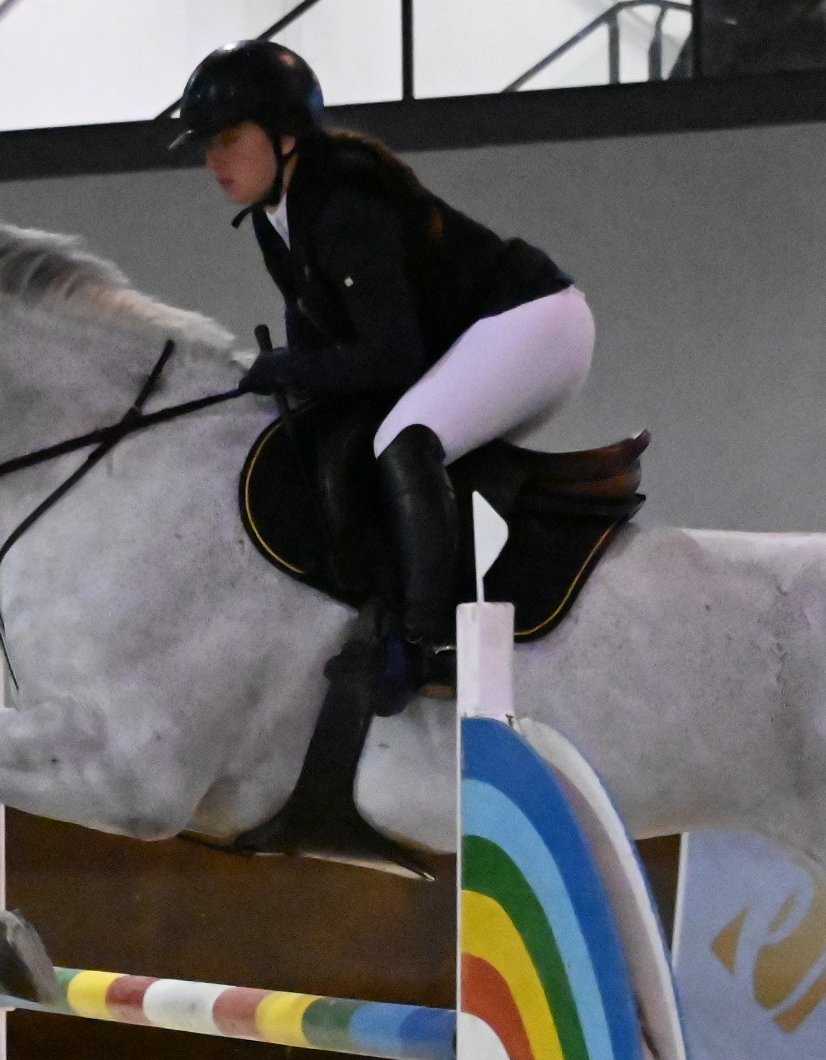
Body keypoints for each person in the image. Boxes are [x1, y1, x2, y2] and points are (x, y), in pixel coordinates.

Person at [173, 39, 592, 680]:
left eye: (228, 137)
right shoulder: (275, 214)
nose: (213, 160)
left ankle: (428, 643)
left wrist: (290, 368)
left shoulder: (344, 204)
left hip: (533, 324)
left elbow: (392, 359)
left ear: (286, 133)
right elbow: (322, 345)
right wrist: (290, 375)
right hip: (480, 334)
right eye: (207, 144)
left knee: (405, 437)